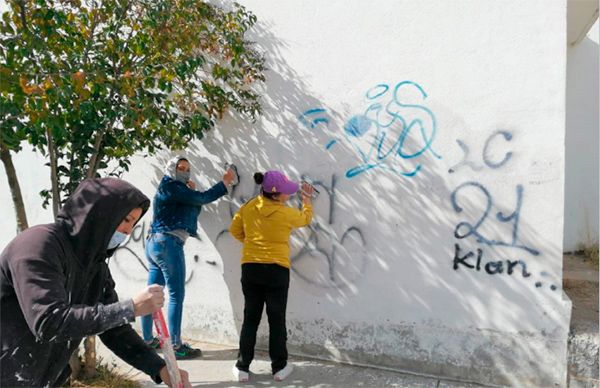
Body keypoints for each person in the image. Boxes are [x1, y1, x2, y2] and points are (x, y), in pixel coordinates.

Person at [0, 177, 191, 387]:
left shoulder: (96, 267)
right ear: (100, 214)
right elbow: (49, 322)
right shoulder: (38, 246)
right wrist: (130, 308)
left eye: (134, 223)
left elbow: (114, 330)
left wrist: (160, 368)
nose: (128, 231)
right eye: (125, 219)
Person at [141, 155, 234, 359]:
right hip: (168, 244)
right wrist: (225, 182)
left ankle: (147, 339)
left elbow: (191, 204)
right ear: (171, 169)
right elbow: (201, 199)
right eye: (180, 168)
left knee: (152, 293)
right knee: (176, 295)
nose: (184, 171)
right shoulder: (172, 187)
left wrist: (190, 191)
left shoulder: (172, 188)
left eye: (187, 168)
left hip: (155, 243)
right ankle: (175, 345)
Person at [229, 170, 314, 382]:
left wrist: (252, 245)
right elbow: (305, 218)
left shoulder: (249, 207)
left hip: (251, 268)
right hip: (277, 270)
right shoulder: (285, 213)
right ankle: (279, 368)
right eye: (286, 192)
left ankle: (242, 367)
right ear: (275, 194)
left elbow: (234, 230)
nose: (288, 195)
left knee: (251, 318)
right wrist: (306, 200)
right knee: (277, 320)